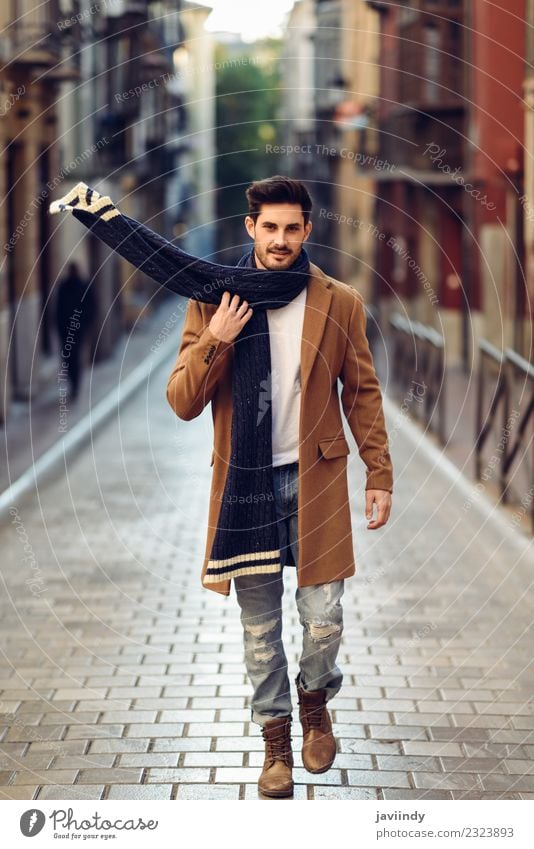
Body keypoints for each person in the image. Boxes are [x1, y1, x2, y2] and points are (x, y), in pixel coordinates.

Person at [166, 176, 393, 798]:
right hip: (247, 487)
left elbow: (362, 391)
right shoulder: (215, 299)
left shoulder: (338, 301)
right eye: (270, 227)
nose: (281, 240)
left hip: (314, 478)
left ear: (308, 231)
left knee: (324, 620)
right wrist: (218, 338)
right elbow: (182, 401)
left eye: (292, 228)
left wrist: (379, 474)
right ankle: (276, 748)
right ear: (250, 229)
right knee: (261, 631)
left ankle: (314, 699)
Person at [54, 261, 96, 400]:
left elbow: (91, 307)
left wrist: (85, 325)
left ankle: (76, 385)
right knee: (67, 358)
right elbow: (58, 310)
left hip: (78, 330)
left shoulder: (84, 286)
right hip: (65, 330)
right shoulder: (63, 286)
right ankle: (73, 383)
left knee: (75, 357)